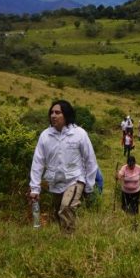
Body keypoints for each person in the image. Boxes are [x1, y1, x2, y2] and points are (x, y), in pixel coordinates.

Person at [29, 100, 99, 233]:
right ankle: (67, 238)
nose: (53, 116)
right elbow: (37, 162)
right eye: (52, 113)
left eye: (58, 112)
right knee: (59, 214)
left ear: (66, 115)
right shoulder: (45, 136)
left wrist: (89, 186)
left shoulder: (79, 134)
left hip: (75, 179)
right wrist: (35, 188)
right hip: (55, 181)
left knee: (65, 208)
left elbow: (90, 159)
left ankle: (68, 240)